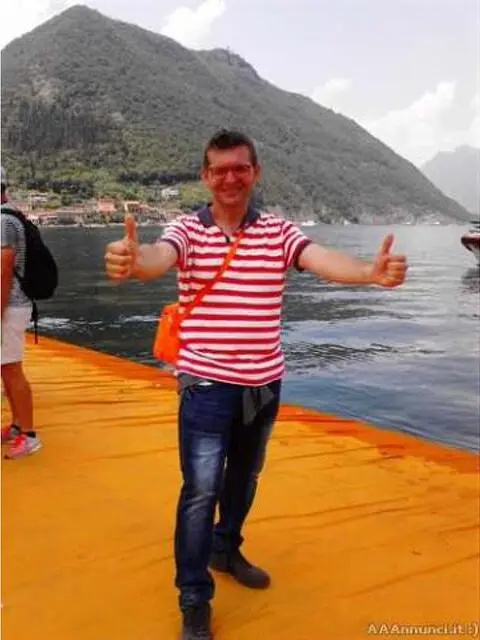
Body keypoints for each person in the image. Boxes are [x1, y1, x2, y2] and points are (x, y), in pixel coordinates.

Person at [104, 130, 408, 639]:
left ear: (255, 173)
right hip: (205, 383)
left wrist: (368, 273)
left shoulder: (278, 233)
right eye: (220, 170)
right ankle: (194, 597)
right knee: (201, 490)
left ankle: (225, 548)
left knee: (245, 477)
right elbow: (158, 256)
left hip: (263, 384)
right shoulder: (187, 230)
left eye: (240, 168)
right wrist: (133, 261)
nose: (230, 178)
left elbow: (321, 259)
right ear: (206, 176)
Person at [1, 167, 41, 459]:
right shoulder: (11, 216)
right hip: (12, 304)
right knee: (6, 367)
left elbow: (4, 271)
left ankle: (28, 435)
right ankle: (17, 426)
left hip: (10, 305)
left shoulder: (3, 221)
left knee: (12, 369)